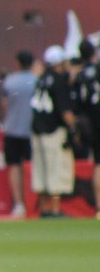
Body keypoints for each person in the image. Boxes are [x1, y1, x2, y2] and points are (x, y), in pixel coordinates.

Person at [30, 45, 78, 218]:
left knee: (41, 172)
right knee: (55, 170)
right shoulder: (59, 80)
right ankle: (56, 209)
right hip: (54, 131)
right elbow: (65, 110)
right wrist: (75, 128)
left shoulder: (42, 78)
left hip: (38, 130)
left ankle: (44, 208)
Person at [1, 49, 38, 218]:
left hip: (13, 129)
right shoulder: (36, 80)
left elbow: (5, 104)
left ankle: (18, 203)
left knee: (14, 165)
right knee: (32, 167)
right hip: (32, 129)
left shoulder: (10, 81)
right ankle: (33, 202)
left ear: (17, 63)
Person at [71, 39, 100, 219]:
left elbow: (76, 106)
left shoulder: (80, 76)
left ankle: (99, 206)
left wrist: (77, 129)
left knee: (98, 163)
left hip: (90, 123)